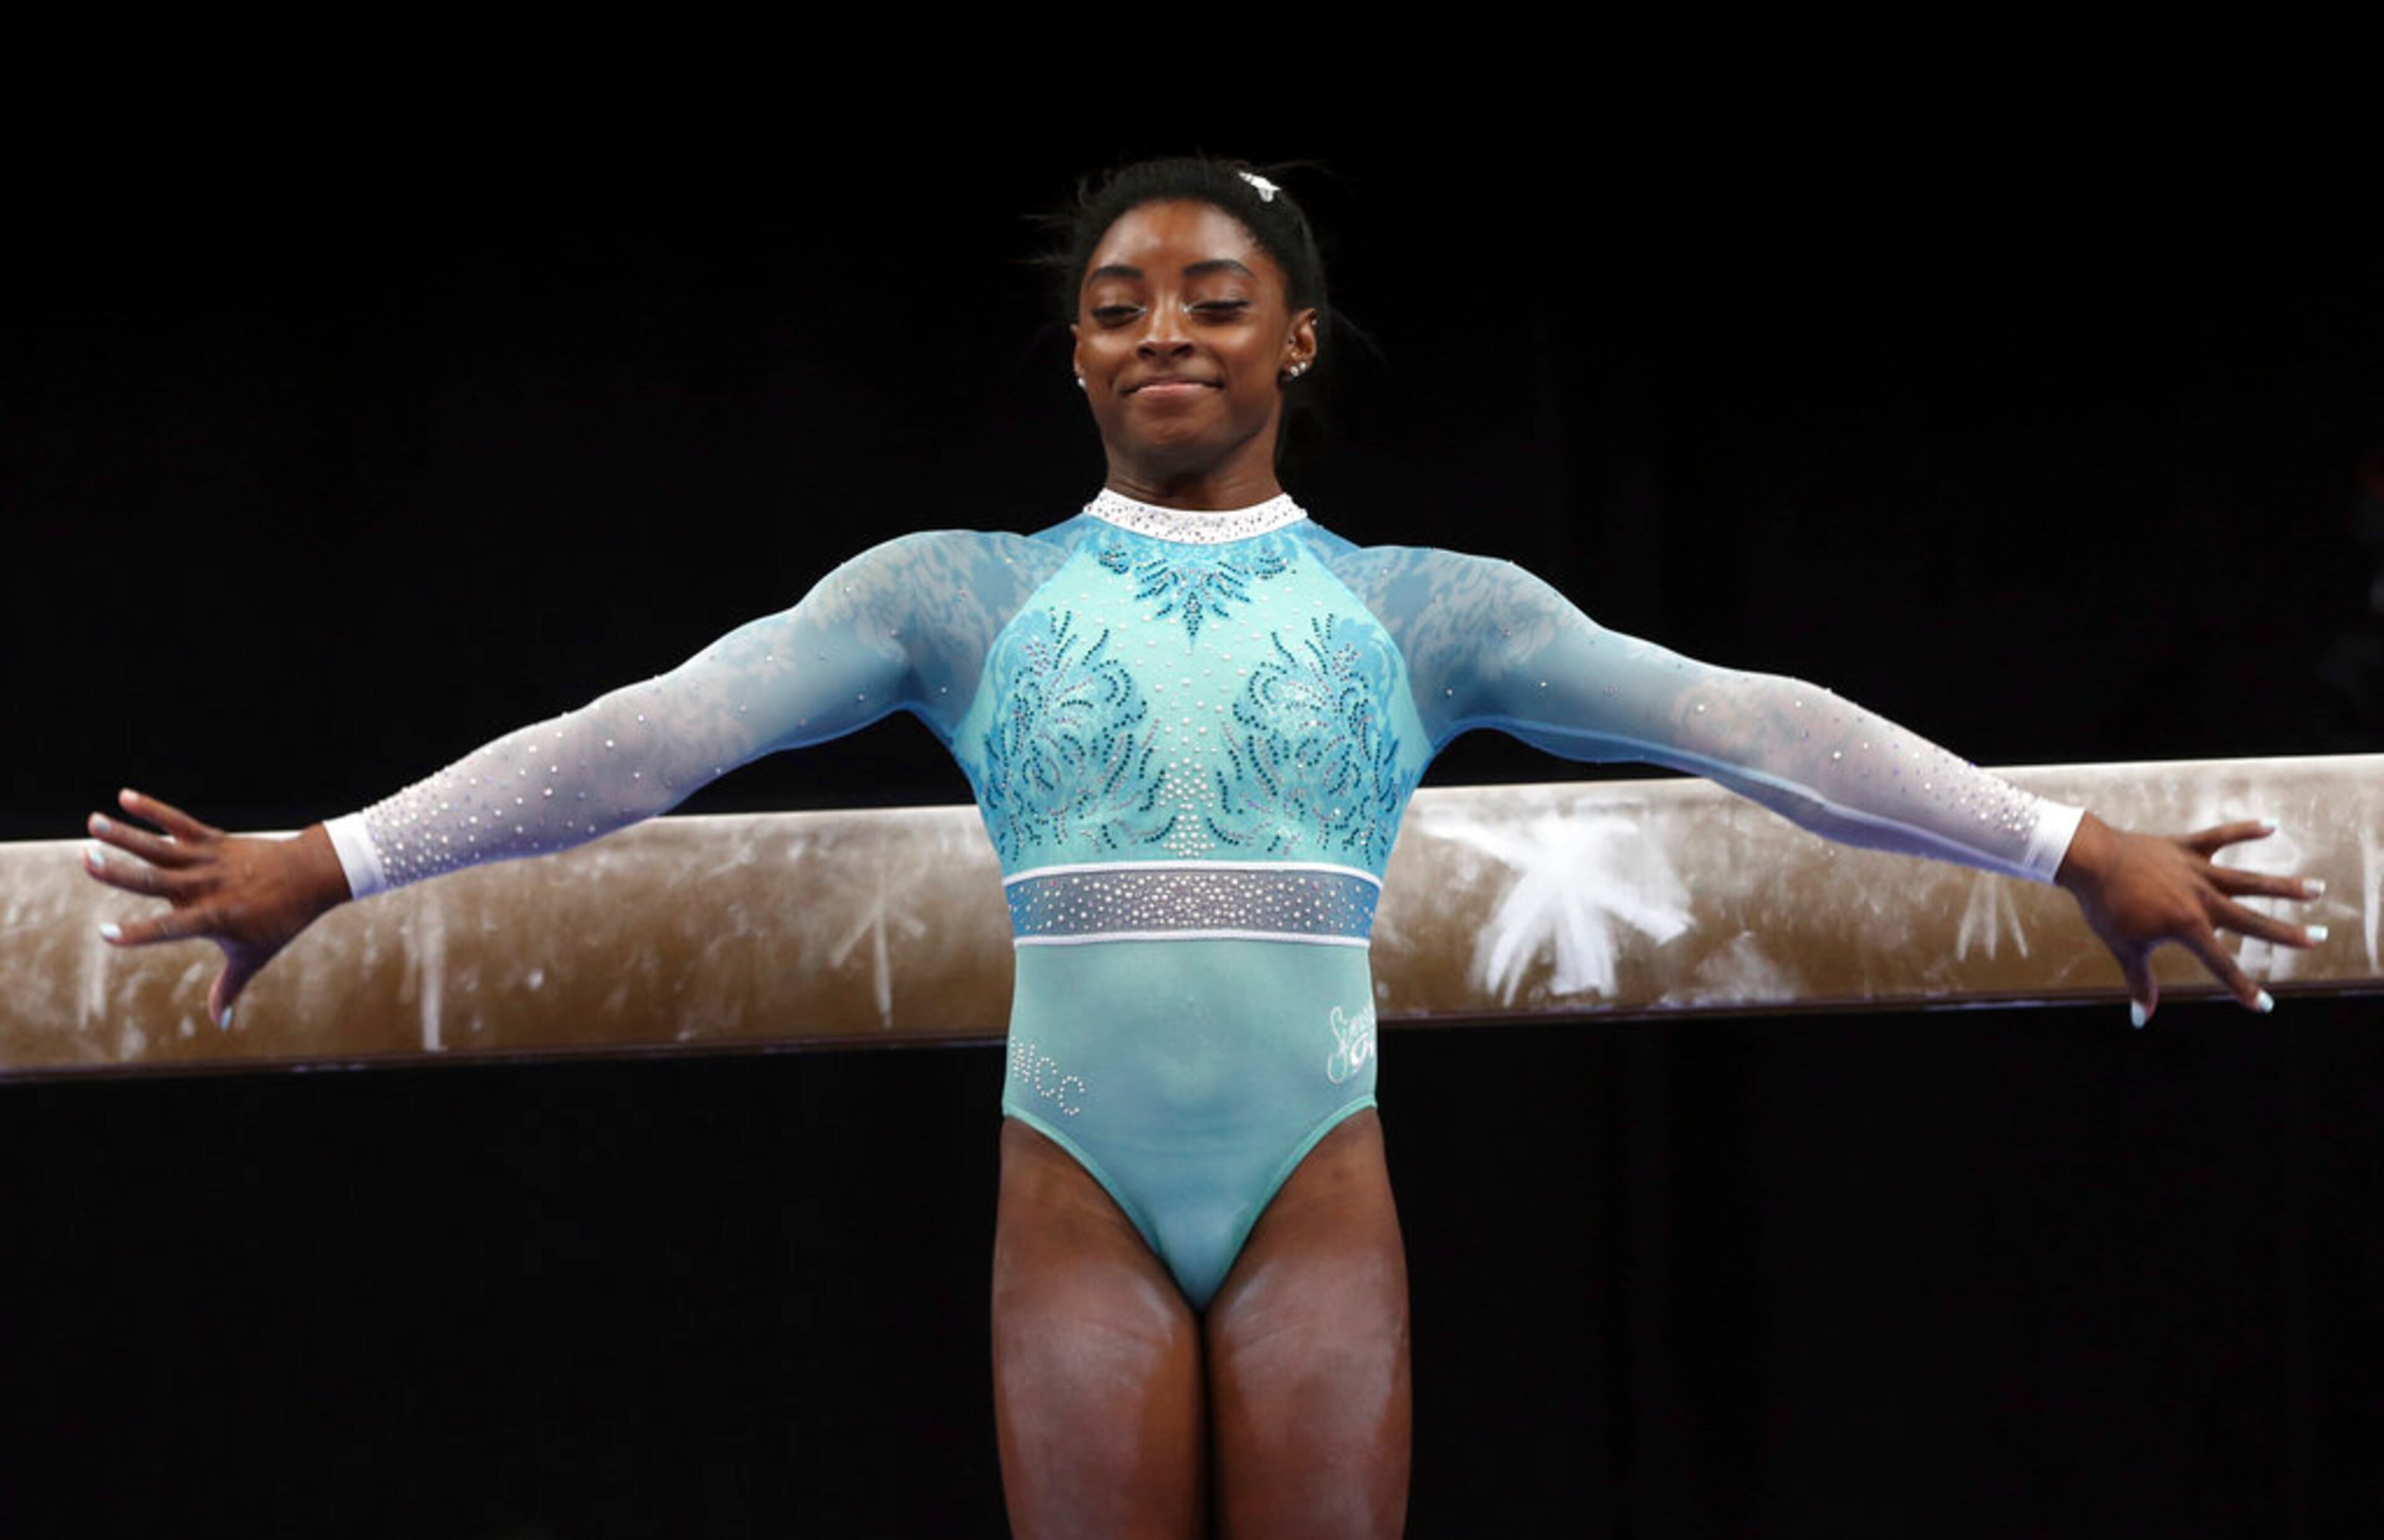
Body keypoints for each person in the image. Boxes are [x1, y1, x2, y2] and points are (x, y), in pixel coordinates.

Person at [82, 157, 2320, 1539]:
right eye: (1126, 300)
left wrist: (2067, 840)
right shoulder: (944, 591)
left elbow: (1756, 733)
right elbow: (648, 740)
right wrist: (341, 859)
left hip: (1314, 1178)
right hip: (1072, 1184)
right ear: (1073, 351)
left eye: (1216, 295)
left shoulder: (1422, 608)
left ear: (1298, 338)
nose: (1169, 323)